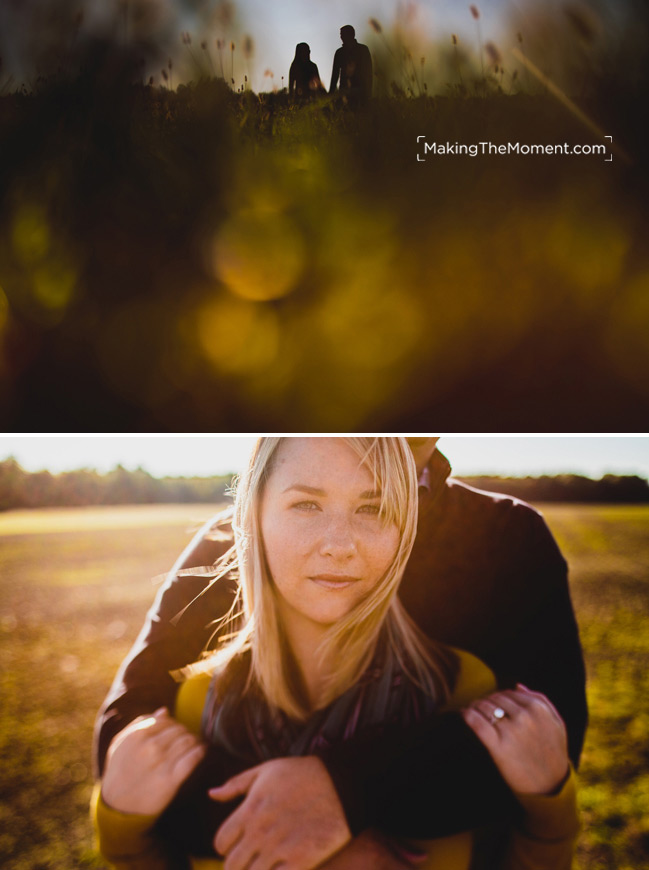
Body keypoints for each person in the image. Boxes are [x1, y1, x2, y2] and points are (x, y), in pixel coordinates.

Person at [94, 437, 587, 870]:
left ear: (405, 531)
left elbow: (542, 748)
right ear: (253, 515)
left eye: (374, 509)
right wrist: (293, 838)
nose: (340, 545)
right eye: (306, 505)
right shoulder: (202, 682)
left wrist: (350, 796)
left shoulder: (502, 564)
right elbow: (128, 736)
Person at [329, 25, 373, 102]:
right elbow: (335, 74)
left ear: (351, 35)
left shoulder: (363, 50)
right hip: (344, 92)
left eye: (342, 34)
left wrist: (368, 92)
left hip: (360, 92)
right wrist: (331, 94)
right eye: (341, 35)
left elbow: (369, 72)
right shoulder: (339, 53)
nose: (341, 37)